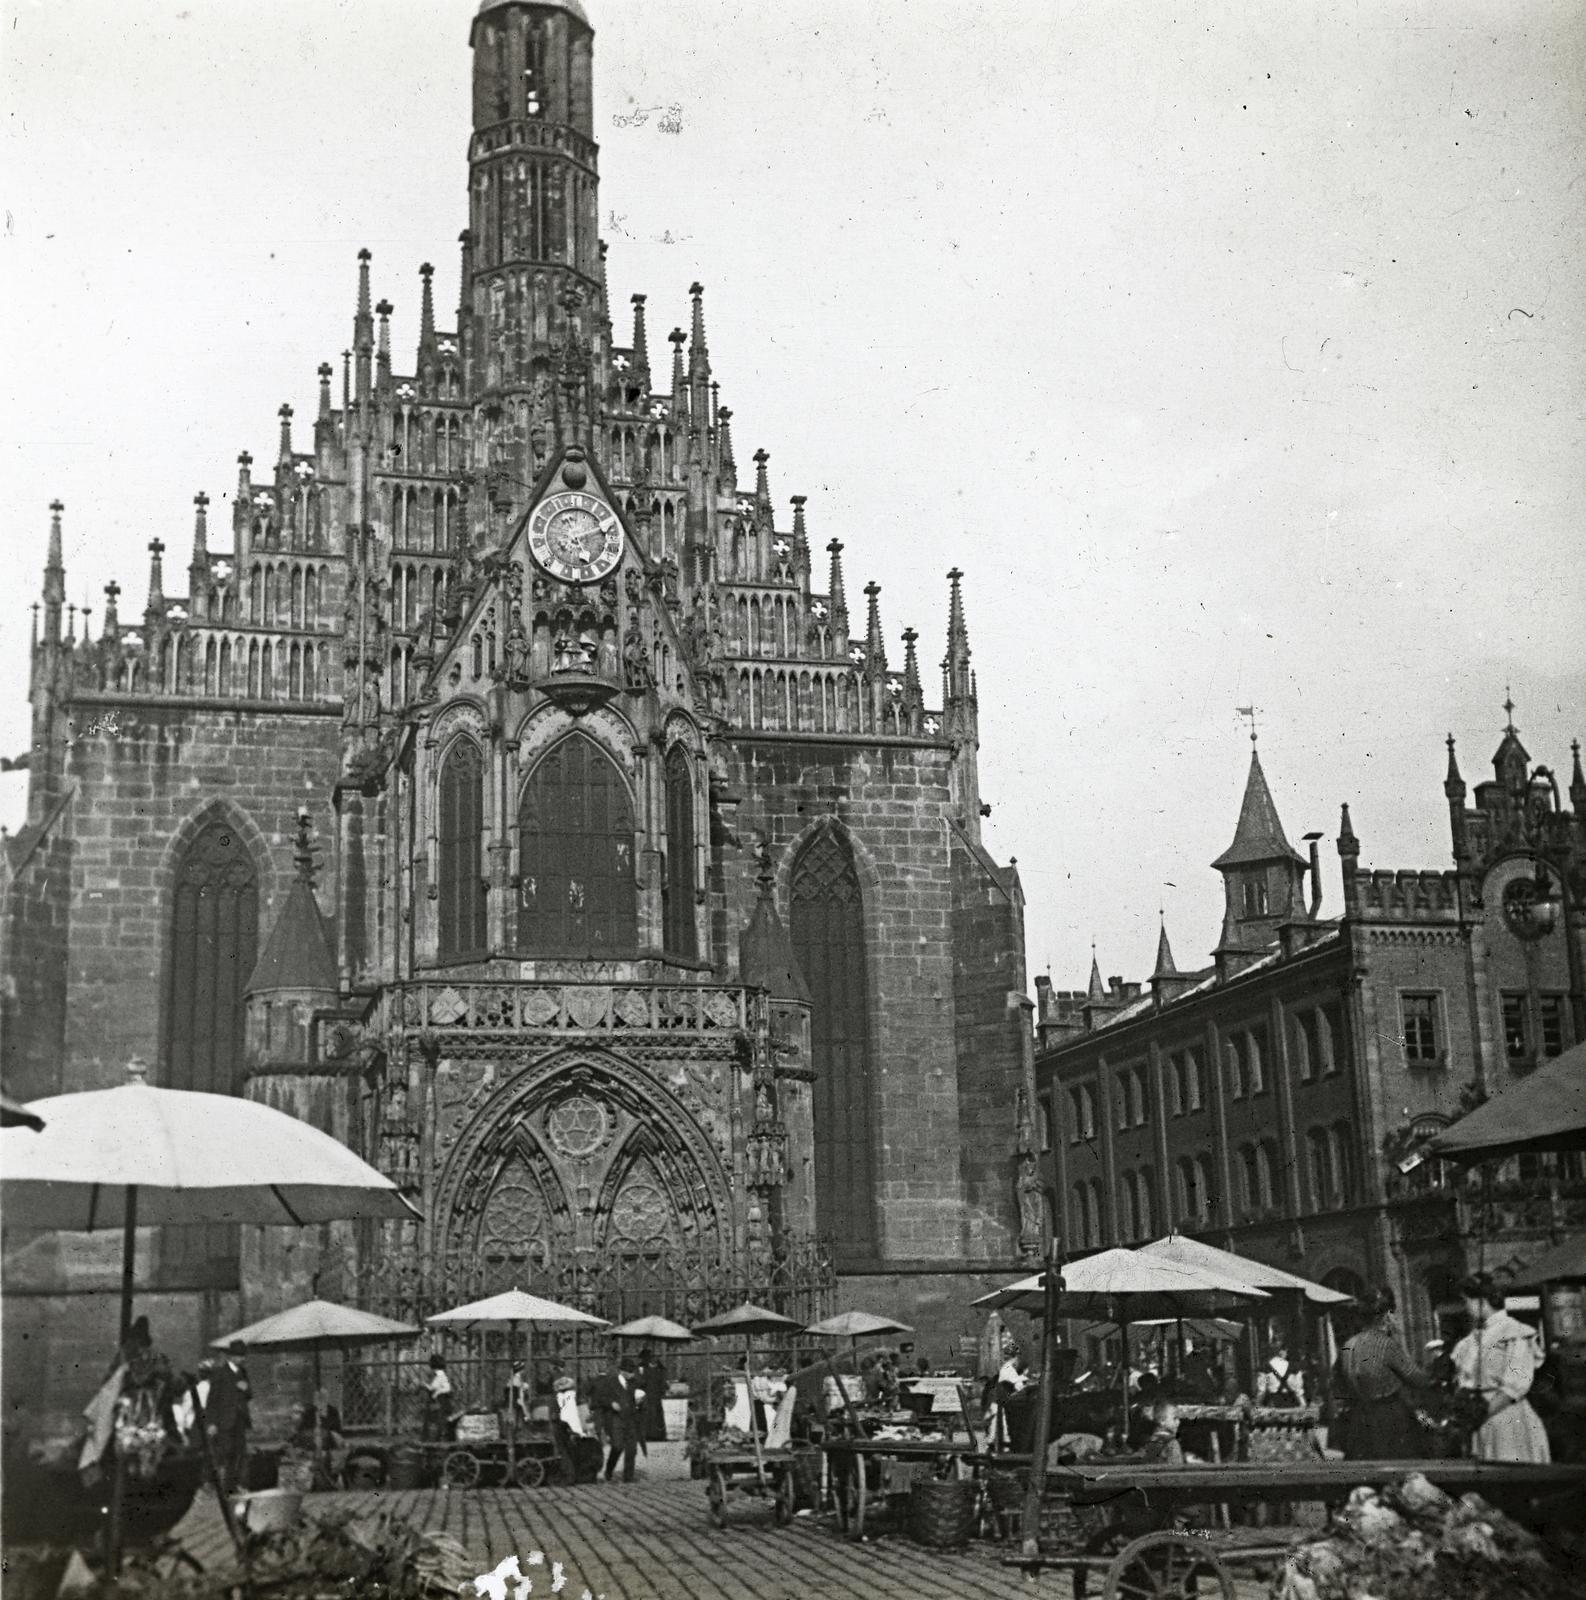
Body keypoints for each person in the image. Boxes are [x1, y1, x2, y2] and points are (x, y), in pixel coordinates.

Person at [1452, 1272, 1551, 1463]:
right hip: (1482, 1421)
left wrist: (1479, 1415)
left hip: (1508, 1420)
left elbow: (1514, 1386)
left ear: (1480, 1301)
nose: (1466, 1308)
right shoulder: (1476, 1337)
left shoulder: (1513, 1331)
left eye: (1467, 1301)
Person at [1333, 1286, 1432, 1460]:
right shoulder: (1386, 1345)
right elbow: (1417, 1379)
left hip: (1359, 1419)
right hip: (1390, 1419)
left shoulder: (1348, 1344)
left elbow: (1339, 1384)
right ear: (1386, 1316)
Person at [589, 1354, 644, 1482]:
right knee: (617, 1446)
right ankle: (609, 1471)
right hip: (615, 1419)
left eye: (633, 1371)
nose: (632, 1374)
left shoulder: (635, 1383)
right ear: (622, 1371)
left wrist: (641, 1400)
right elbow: (599, 1399)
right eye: (630, 1371)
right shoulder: (610, 1382)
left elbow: (642, 1394)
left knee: (632, 1449)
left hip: (631, 1419)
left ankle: (628, 1477)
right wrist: (611, 1404)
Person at [1257, 1344, 1307, 1409]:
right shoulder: (1294, 1368)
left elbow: (1261, 1391)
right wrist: (1303, 1405)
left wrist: (1257, 1406)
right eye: (1286, 1351)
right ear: (1282, 1351)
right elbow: (1299, 1392)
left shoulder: (1264, 1368)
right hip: (1292, 1406)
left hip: (1274, 1407)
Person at [424, 1354, 458, 1443]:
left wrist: (424, 1385)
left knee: (437, 1421)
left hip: (440, 1403)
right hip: (443, 1402)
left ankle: (436, 1439)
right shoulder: (442, 1375)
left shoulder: (439, 1376)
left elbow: (432, 1387)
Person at [638, 1347, 668, 1444]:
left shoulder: (660, 1369)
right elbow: (640, 1382)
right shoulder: (642, 1368)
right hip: (647, 1394)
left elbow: (663, 1383)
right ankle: (648, 1434)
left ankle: (656, 1435)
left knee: (655, 1414)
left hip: (655, 1395)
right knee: (648, 1414)